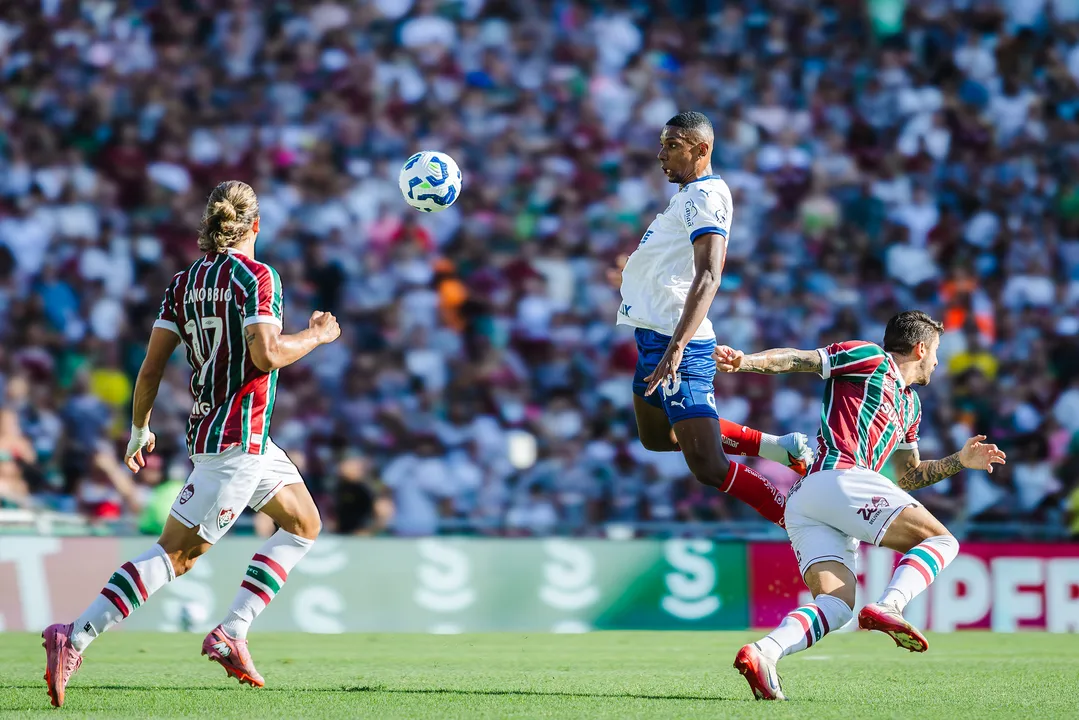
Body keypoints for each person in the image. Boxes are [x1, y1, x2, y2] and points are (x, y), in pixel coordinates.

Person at [41, 181, 341, 706]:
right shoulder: (258, 277)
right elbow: (268, 355)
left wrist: (139, 428)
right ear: (255, 226)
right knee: (176, 557)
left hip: (229, 436)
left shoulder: (183, 283)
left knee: (303, 524)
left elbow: (152, 365)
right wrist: (316, 335)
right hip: (236, 442)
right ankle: (77, 635)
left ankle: (233, 631)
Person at [714, 310, 1006, 700]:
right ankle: (890, 605)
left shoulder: (910, 407)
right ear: (920, 348)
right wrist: (744, 361)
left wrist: (959, 461)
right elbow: (799, 359)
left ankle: (764, 652)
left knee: (836, 606)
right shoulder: (869, 357)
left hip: (810, 503)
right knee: (942, 543)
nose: (938, 361)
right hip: (839, 476)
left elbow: (909, 476)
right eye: (936, 351)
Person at [616, 111, 812, 526]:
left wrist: (678, 347)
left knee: (708, 465)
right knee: (656, 438)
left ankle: (796, 521)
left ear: (701, 149)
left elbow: (709, 274)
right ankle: (780, 447)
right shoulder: (689, 195)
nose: (660, 154)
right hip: (654, 337)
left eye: (672, 145)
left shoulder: (705, 197)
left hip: (675, 345)